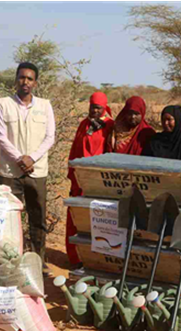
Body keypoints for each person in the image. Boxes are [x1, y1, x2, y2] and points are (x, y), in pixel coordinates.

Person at [0, 62, 55, 274]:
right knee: (8, 218)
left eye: (29, 79)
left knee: (37, 217)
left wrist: (32, 159)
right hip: (10, 172)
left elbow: (50, 137)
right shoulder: (4, 104)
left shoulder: (45, 105)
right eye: (22, 78)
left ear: (35, 83)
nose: (25, 82)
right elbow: (1, 137)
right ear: (16, 80)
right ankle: (9, 259)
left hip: (37, 171)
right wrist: (20, 158)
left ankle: (39, 260)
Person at [65, 91, 114, 269]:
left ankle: (97, 259)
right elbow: (74, 150)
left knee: (98, 220)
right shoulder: (83, 125)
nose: (94, 111)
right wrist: (73, 175)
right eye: (92, 107)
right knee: (76, 218)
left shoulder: (110, 126)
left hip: (98, 181)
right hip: (79, 180)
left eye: (98, 108)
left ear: (104, 107)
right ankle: (75, 257)